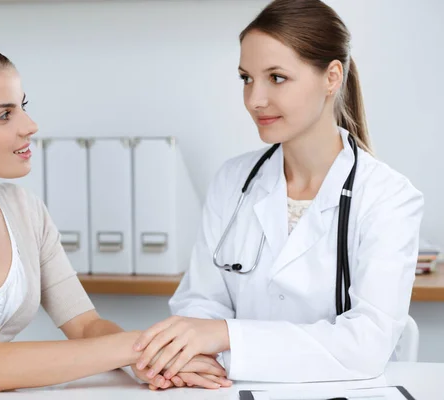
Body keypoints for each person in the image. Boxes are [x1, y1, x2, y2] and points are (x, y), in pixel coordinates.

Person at [0, 42, 231, 400]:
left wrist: (151, 363)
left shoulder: (24, 209)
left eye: (22, 107)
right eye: (4, 115)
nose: (30, 125)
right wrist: (137, 347)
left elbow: (85, 325)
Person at [132, 0, 424, 384]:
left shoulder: (388, 197)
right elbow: (199, 303)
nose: (255, 99)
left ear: (331, 77)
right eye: (246, 78)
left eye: (277, 77)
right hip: (233, 387)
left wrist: (226, 335)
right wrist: (192, 351)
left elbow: (366, 345)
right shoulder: (233, 182)